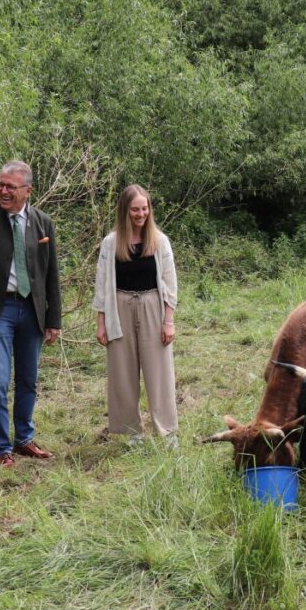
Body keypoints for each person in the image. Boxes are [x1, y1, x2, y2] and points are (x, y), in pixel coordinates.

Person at [0, 161, 62, 467]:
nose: (3, 191)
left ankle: (24, 440)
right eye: (0, 185)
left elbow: (51, 276)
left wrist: (54, 319)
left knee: (29, 380)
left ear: (27, 191)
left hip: (32, 311)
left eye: (10, 187)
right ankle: (2, 448)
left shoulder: (43, 224)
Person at [93, 184, 179, 446]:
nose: (140, 214)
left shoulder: (159, 240)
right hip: (119, 307)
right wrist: (101, 323)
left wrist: (168, 321)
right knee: (123, 372)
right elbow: (101, 284)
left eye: (144, 208)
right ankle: (133, 432)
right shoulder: (111, 243)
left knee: (159, 372)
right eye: (135, 209)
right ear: (125, 211)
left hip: (152, 304)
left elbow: (170, 283)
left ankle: (167, 432)